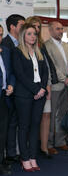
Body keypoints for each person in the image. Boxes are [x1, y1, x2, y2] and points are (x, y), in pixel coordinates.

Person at [13, 23, 48, 171]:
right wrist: (35, 90)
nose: (32, 36)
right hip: (24, 95)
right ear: (23, 36)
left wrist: (42, 89)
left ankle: (33, 157)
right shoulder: (17, 52)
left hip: (39, 95)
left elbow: (45, 72)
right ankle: (25, 158)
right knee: (24, 127)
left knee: (35, 127)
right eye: (29, 34)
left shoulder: (39, 51)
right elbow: (19, 74)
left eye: (34, 34)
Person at [25, 16, 58, 159]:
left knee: (46, 115)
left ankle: (44, 148)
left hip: (45, 87)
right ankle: (31, 149)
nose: (37, 30)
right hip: (30, 90)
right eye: (34, 27)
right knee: (32, 120)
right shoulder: (22, 48)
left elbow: (46, 69)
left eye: (38, 27)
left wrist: (47, 85)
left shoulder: (41, 45)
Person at [44, 21, 68, 155]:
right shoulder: (46, 46)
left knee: (62, 114)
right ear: (50, 30)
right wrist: (64, 79)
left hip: (67, 85)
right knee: (51, 116)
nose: (60, 31)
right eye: (57, 29)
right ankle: (49, 144)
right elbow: (52, 66)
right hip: (55, 85)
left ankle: (60, 142)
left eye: (62, 29)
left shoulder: (67, 46)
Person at [2, 14, 25, 164]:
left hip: (20, 90)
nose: (24, 28)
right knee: (7, 124)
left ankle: (12, 152)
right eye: (22, 25)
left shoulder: (22, 43)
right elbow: (10, 70)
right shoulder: (5, 44)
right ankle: (7, 154)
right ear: (12, 27)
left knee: (14, 123)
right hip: (8, 92)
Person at [0, 24, 15, 175]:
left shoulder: (6, 51)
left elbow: (10, 72)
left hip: (4, 98)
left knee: (2, 133)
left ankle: (1, 163)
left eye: (0, 34)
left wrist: (10, 84)